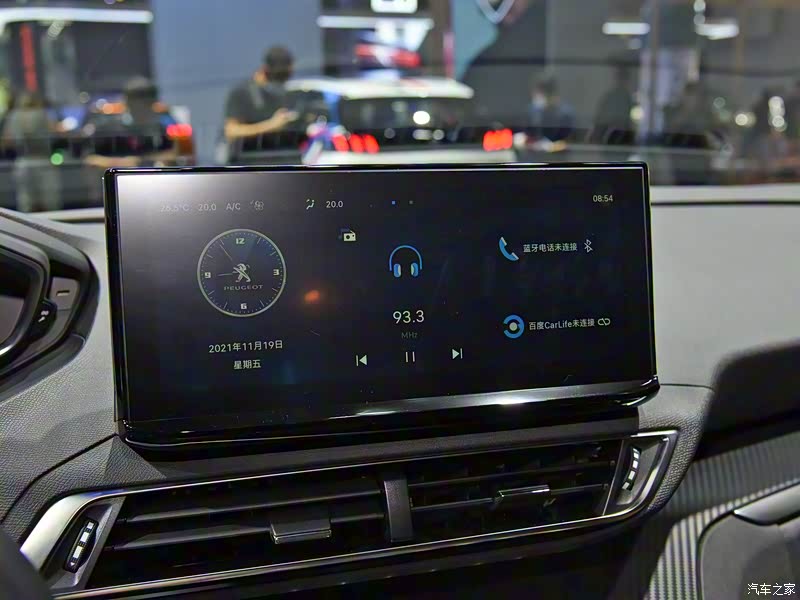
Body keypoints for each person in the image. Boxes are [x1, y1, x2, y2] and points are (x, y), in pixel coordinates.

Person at [83, 77, 178, 169]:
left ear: (154, 102)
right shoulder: (107, 129)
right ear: (127, 102)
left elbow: (173, 155)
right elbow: (90, 159)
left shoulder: (160, 129)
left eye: (146, 102)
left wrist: (144, 161)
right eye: (136, 102)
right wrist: (121, 163)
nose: (141, 107)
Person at [222, 46, 298, 160]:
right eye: (279, 75)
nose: (282, 81)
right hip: (251, 161)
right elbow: (231, 131)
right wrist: (270, 125)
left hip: (285, 158)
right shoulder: (243, 92)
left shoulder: (286, 93)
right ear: (265, 69)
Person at [1, 91, 60, 212]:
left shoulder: (13, 116)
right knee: (49, 201)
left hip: (22, 162)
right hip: (42, 160)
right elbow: (54, 132)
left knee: (26, 201)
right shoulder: (42, 114)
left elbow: (7, 140)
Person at [591, 66, 634, 144]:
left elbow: (633, 120)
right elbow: (600, 118)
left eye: (623, 79)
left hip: (625, 137)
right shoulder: (609, 97)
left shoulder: (629, 99)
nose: (621, 82)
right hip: (609, 136)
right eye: (620, 79)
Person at [529, 77, 575, 142]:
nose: (536, 97)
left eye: (540, 93)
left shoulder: (566, 114)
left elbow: (567, 139)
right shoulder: (533, 110)